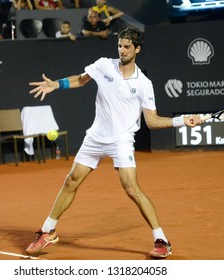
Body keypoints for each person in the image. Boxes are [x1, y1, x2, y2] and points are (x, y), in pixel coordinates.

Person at [26, 27, 203, 259]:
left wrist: (180, 120)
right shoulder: (104, 65)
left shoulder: (143, 83)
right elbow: (81, 80)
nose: (122, 50)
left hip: (121, 139)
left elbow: (151, 121)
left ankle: (161, 240)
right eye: (120, 46)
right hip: (96, 136)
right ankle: (48, 231)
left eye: (127, 47)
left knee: (131, 188)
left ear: (137, 49)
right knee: (71, 181)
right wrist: (57, 84)